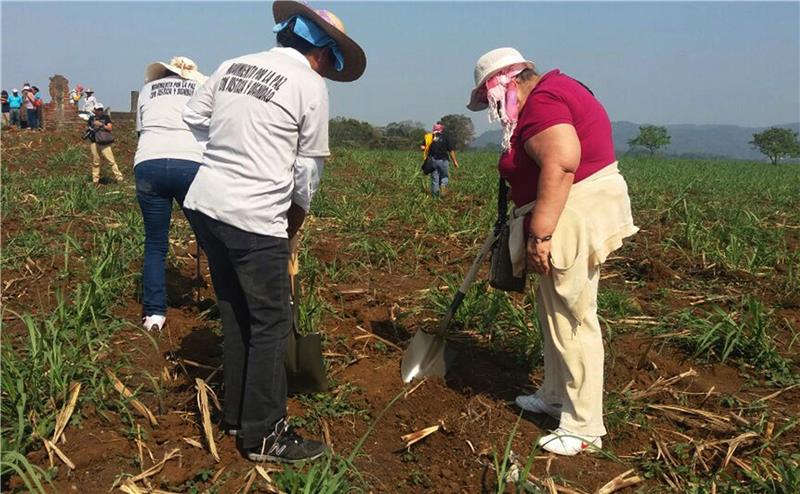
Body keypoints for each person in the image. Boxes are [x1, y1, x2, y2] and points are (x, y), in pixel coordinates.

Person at [182, 0, 366, 463]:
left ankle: (238, 415)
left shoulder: (233, 64)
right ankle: (265, 434)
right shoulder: (309, 85)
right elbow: (306, 170)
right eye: (332, 62)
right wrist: (294, 223)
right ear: (322, 52)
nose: (328, 70)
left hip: (206, 205)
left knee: (235, 314)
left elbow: (192, 117)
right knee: (271, 325)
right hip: (255, 219)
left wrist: (231, 152)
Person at [466, 47, 638, 456]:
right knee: (553, 311)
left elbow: (561, 163)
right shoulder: (556, 91)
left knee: (572, 316)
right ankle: (555, 394)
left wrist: (540, 234)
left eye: (491, 99)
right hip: (567, 207)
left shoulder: (543, 101)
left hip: (570, 211)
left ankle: (584, 426)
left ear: (507, 85)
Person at [134, 56, 208, 332]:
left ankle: (154, 314)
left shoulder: (147, 91)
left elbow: (141, 131)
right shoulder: (199, 88)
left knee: (155, 243)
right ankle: (229, 303)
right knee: (210, 237)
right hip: (189, 163)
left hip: (148, 164)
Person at [86, 103, 124, 184]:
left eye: (100, 109)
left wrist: (101, 125)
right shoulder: (91, 118)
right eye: (97, 109)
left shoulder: (106, 117)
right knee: (95, 161)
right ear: (95, 110)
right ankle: (95, 180)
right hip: (94, 142)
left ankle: (119, 178)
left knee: (111, 161)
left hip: (104, 142)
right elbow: (88, 127)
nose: (99, 111)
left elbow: (110, 128)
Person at [423, 122, 459, 197]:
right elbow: (451, 150)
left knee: (434, 179)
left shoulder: (429, 137)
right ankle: (443, 186)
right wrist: (455, 162)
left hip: (432, 161)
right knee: (444, 176)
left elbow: (422, 147)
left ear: (434, 129)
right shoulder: (446, 137)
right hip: (443, 160)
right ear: (441, 129)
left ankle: (435, 197)